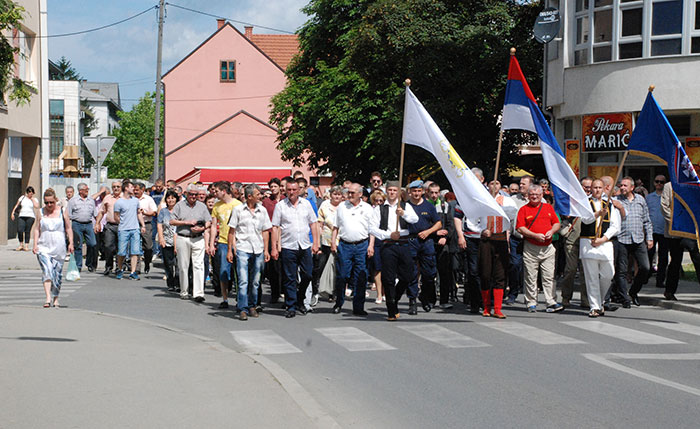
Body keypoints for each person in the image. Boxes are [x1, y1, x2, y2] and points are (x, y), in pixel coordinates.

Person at [369, 180, 419, 320]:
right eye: (389, 190)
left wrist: (403, 214)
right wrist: (388, 235)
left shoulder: (405, 206)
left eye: (394, 190)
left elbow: (415, 219)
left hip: (403, 244)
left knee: (408, 275)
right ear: (386, 191)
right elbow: (372, 228)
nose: (392, 193)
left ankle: (395, 297)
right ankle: (391, 308)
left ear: (399, 192)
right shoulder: (379, 209)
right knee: (388, 278)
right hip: (388, 244)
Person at [270, 180, 319, 318]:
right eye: (289, 190)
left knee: (308, 274)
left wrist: (316, 243)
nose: (291, 192)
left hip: (304, 245)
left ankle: (300, 298)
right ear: (285, 190)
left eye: (294, 189)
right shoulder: (281, 206)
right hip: (288, 246)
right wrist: (274, 247)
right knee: (290, 277)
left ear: (299, 190)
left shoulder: (306, 204)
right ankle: (291, 305)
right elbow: (275, 227)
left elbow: (314, 224)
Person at [227, 184, 272, 320]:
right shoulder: (238, 210)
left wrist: (266, 250)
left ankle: (252, 305)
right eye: (258, 194)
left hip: (258, 249)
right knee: (243, 280)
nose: (260, 196)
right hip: (243, 248)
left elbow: (265, 231)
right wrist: (230, 249)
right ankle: (242, 308)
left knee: (256, 281)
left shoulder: (262, 210)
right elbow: (232, 231)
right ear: (249, 196)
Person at [516, 184, 563, 313]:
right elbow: (520, 227)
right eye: (532, 194)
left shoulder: (548, 207)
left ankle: (551, 301)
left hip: (548, 247)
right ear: (528, 195)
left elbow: (557, 223)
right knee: (531, 276)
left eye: (537, 194)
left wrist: (552, 231)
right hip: (531, 247)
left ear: (542, 195)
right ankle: (531, 302)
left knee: (549, 276)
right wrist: (534, 235)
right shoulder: (523, 209)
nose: (534, 197)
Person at [330, 183, 374, 316]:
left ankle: (358, 306)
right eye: (348, 192)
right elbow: (336, 226)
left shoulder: (367, 208)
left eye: (352, 193)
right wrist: (333, 241)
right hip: (345, 245)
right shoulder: (342, 207)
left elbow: (372, 229)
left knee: (360, 276)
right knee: (342, 275)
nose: (349, 195)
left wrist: (371, 245)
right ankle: (339, 302)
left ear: (360, 194)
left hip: (362, 245)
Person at [579, 179, 621, 317]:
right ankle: (595, 306)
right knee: (591, 278)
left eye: (599, 187)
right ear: (591, 188)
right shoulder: (585, 203)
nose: (597, 190)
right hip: (588, 245)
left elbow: (616, 226)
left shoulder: (609, 204)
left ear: (604, 189)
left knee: (608, 275)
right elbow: (585, 219)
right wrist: (597, 214)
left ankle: (601, 301)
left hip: (605, 245)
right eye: (594, 187)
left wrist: (603, 238)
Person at [476, 180, 517, 318]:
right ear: (487, 185)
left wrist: (498, 207)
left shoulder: (507, 200)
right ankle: (486, 306)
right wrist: (481, 230)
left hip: (500, 239)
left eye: (498, 183)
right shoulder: (481, 200)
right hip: (486, 240)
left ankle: (498, 308)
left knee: (500, 274)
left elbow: (512, 215)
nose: (495, 186)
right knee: (485, 273)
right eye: (492, 183)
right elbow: (472, 218)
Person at [615, 176, 654, 307]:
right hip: (622, 239)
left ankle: (633, 291)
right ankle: (624, 297)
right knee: (621, 270)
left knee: (645, 268)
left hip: (638, 239)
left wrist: (649, 237)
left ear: (632, 187)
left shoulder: (640, 200)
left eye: (625, 185)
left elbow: (647, 220)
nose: (622, 187)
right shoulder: (616, 200)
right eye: (621, 185)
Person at [33, 188, 74, 308]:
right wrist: (35, 244)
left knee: (57, 275)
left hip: (59, 247)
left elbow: (68, 228)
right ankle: (48, 298)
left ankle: (56, 298)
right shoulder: (40, 212)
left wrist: (71, 243)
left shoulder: (63, 211)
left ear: (56, 200)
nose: (49, 205)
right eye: (46, 202)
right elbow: (36, 229)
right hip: (43, 247)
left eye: (51, 202)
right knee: (47, 271)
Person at [170, 184, 212, 302]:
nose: (194, 196)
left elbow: (209, 221)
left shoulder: (202, 206)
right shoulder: (179, 205)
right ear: (186, 194)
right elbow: (172, 221)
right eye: (191, 194)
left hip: (198, 238)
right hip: (183, 237)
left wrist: (202, 228)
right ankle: (184, 291)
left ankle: (198, 293)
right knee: (183, 266)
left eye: (196, 194)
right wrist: (187, 223)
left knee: (199, 265)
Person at [660, 181, 700, 300]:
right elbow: (664, 206)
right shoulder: (669, 186)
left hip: (691, 230)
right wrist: (675, 222)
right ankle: (669, 291)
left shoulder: (694, 183)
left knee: (697, 259)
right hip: (675, 232)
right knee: (675, 262)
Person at [559, 176, 592, 308]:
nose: (588, 189)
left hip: (587, 240)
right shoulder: (572, 200)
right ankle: (566, 297)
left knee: (585, 272)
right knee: (570, 270)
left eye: (590, 186)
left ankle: (585, 299)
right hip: (572, 239)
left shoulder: (595, 201)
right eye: (585, 186)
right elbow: (563, 213)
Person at [209, 181, 241, 309]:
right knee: (223, 271)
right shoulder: (217, 206)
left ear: (224, 191)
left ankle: (240, 298)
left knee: (238, 271)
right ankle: (225, 298)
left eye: (216, 191)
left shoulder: (237, 205)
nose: (214, 193)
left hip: (237, 241)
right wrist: (212, 244)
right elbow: (213, 225)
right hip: (222, 241)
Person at [426, 183, 458, 310]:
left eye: (436, 192)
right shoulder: (425, 205)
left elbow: (450, 224)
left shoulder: (445, 206)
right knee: (429, 273)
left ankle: (444, 300)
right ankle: (430, 299)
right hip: (429, 242)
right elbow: (423, 225)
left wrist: (446, 237)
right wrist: (435, 233)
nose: (434, 195)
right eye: (432, 192)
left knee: (444, 273)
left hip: (443, 244)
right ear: (427, 193)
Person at [505, 175, 534, 305]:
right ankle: (513, 293)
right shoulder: (512, 200)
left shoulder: (539, 200)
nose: (521, 186)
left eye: (524, 184)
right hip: (516, 238)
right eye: (520, 184)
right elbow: (507, 220)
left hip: (532, 239)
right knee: (514, 266)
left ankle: (530, 297)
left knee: (531, 268)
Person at [314, 185, 343, 302]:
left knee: (337, 268)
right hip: (326, 241)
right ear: (330, 195)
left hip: (340, 241)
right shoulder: (324, 205)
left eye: (339, 194)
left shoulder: (344, 207)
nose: (336, 196)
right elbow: (319, 223)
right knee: (320, 266)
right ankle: (316, 290)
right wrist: (319, 240)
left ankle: (334, 292)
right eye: (334, 194)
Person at [113, 180, 147, 281]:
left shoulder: (135, 201)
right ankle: (119, 269)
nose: (134, 189)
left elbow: (138, 213)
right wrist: (123, 223)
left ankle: (133, 272)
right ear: (126, 188)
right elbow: (116, 216)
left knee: (135, 252)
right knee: (122, 252)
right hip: (123, 230)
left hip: (135, 229)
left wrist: (143, 225)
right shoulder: (119, 202)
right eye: (132, 187)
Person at [262, 177, 283, 304]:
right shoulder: (266, 202)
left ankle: (284, 291)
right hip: (270, 234)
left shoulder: (286, 200)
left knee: (284, 265)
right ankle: (275, 293)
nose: (273, 189)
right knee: (273, 267)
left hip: (284, 234)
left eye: (275, 186)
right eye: (271, 187)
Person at [67, 183, 97, 272]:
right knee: (78, 245)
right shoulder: (73, 201)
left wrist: (97, 224)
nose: (87, 191)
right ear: (80, 191)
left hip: (88, 224)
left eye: (88, 189)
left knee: (92, 244)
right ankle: (78, 265)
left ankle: (89, 263)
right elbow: (68, 214)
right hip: (77, 224)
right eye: (86, 189)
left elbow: (95, 214)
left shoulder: (91, 200)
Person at [646, 175, 668, 289]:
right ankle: (645, 277)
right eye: (657, 181)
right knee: (649, 255)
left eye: (662, 182)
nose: (659, 183)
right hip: (652, 231)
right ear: (654, 183)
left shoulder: (669, 197)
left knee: (663, 257)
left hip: (665, 231)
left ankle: (660, 280)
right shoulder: (649, 198)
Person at [95, 181, 122, 275]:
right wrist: (97, 223)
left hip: (122, 226)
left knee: (120, 248)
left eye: (118, 186)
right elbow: (101, 211)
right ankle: (108, 267)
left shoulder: (125, 198)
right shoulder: (107, 198)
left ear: (121, 187)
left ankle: (119, 267)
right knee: (108, 246)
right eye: (114, 187)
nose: (116, 188)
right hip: (110, 225)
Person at [157, 190, 179, 292]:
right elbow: (159, 225)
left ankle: (178, 283)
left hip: (178, 240)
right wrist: (161, 238)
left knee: (179, 264)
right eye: (168, 198)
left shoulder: (179, 210)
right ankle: (170, 283)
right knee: (168, 263)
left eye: (172, 198)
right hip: (166, 240)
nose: (170, 200)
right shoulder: (163, 211)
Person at [134, 183, 158, 274]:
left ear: (142, 190)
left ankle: (147, 263)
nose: (135, 192)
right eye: (134, 190)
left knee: (148, 246)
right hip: (135, 224)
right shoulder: (132, 199)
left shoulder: (148, 199)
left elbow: (154, 212)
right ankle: (137, 267)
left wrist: (144, 212)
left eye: (137, 190)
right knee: (135, 246)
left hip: (147, 224)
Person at [368, 189, 386, 304]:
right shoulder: (370, 211)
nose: (379, 202)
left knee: (386, 269)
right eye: (376, 200)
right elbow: (371, 229)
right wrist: (371, 244)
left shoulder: (387, 211)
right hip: (376, 241)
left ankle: (385, 292)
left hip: (386, 241)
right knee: (377, 268)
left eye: (381, 200)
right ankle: (379, 294)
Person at [10, 186, 39, 251]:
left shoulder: (34, 199)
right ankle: (21, 244)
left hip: (30, 216)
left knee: (27, 231)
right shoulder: (22, 198)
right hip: (21, 216)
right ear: (27, 192)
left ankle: (26, 245)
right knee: (20, 230)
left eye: (31, 193)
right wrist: (13, 213)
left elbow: (37, 206)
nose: (30, 194)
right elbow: (17, 205)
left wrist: (32, 199)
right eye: (29, 193)